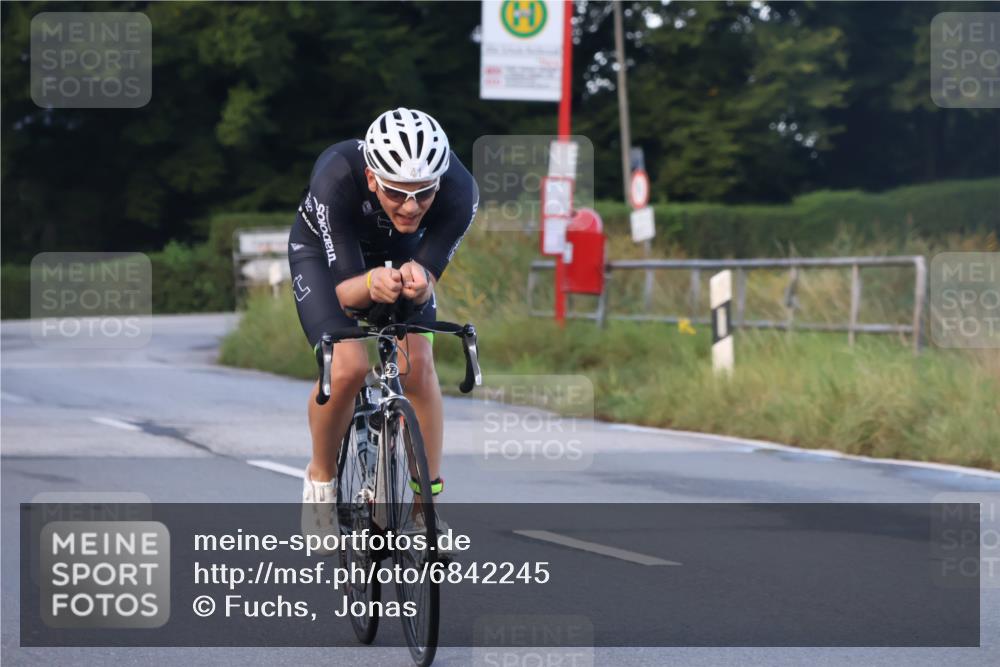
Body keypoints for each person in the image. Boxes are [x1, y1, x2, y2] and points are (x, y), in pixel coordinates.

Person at [288, 108, 478, 545]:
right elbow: (346, 293)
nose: (411, 206)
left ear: (440, 182)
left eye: (423, 193)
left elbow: (428, 275)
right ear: (373, 179)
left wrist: (422, 283)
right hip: (325, 256)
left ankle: (421, 512)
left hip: (399, 253)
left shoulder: (460, 192)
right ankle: (320, 476)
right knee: (348, 368)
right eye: (396, 193)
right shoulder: (336, 175)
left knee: (420, 368)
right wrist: (373, 283)